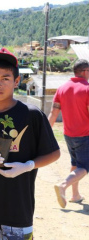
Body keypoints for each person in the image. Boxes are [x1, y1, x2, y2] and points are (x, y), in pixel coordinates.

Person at [0, 48, 60, 239]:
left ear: (16, 81)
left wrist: (28, 166)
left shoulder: (32, 115)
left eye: (5, 78)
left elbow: (54, 153)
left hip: (18, 213)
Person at [48, 59, 89, 208]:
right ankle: (63, 186)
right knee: (84, 167)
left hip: (68, 134)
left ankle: (75, 195)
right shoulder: (87, 89)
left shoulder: (62, 88)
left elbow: (53, 114)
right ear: (85, 72)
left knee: (75, 164)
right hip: (85, 135)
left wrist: (45, 133)